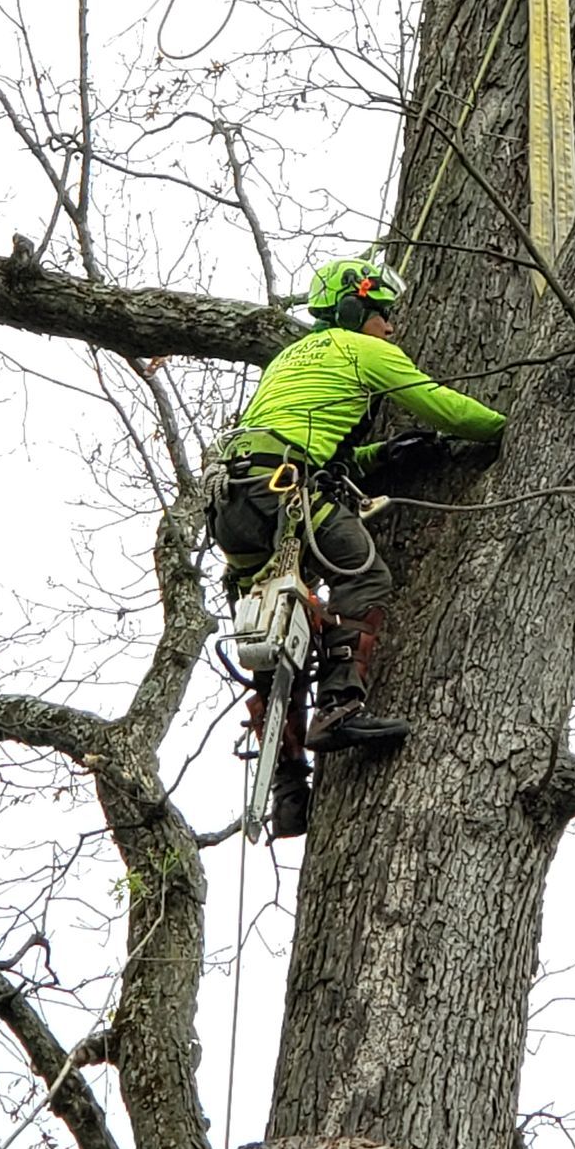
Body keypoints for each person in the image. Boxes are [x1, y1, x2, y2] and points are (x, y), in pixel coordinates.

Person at [202, 251, 505, 837]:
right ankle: (340, 707)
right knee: (363, 574)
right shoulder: (364, 350)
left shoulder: (289, 359)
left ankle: (289, 791)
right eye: (382, 314)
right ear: (353, 307)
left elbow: (311, 443)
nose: (390, 327)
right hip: (282, 490)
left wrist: (383, 457)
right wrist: (508, 428)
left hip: (237, 502)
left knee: (277, 631)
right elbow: (442, 405)